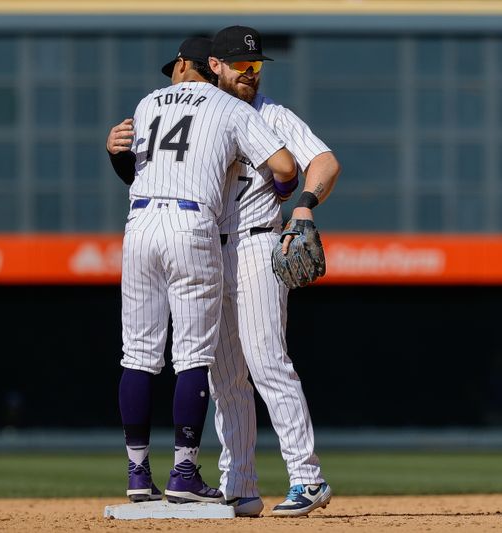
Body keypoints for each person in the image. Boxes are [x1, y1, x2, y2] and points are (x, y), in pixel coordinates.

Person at [106, 36, 297, 505]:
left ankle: (136, 474)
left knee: (137, 355)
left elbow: (138, 170)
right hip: (192, 224)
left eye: (176, 65)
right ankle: (184, 473)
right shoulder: (230, 108)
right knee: (192, 356)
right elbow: (285, 165)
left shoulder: (148, 103)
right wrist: (284, 192)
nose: (171, 73)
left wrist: (115, 154)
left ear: (190, 65)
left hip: (139, 224)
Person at [206, 26, 341, 517]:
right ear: (215, 65)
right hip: (204, 250)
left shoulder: (274, 115)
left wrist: (304, 205)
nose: (252, 74)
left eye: (257, 66)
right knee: (225, 378)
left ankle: (308, 478)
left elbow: (324, 161)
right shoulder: (200, 112)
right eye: (243, 66)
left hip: (259, 243)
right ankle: (238, 486)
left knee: (267, 361)